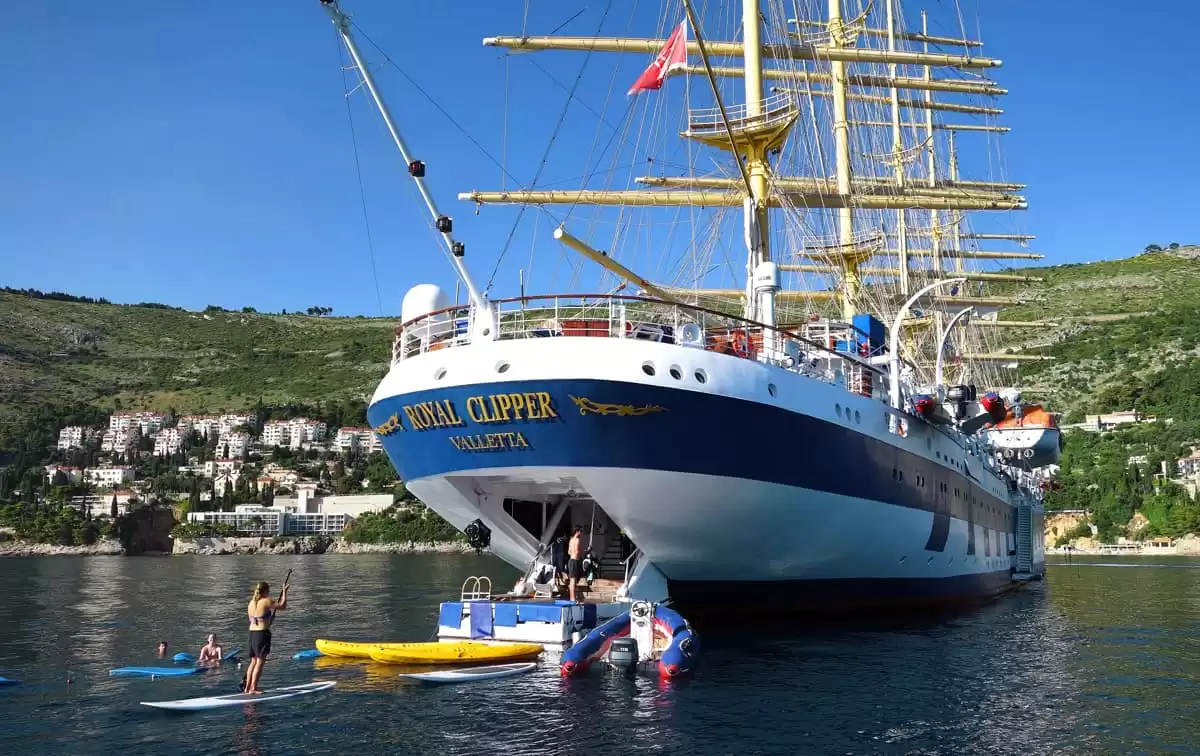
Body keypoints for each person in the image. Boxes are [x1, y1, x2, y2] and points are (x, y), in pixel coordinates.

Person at [244, 579, 288, 694]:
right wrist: (284, 592)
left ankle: (247, 688)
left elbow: (257, 619)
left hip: (252, 634)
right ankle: (253, 688)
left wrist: (268, 620)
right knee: (260, 661)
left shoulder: (251, 603)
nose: (269, 593)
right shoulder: (266, 600)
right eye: (268, 591)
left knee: (253, 661)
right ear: (265, 591)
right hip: (261, 634)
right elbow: (282, 606)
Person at [566, 526, 583, 602]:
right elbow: (577, 551)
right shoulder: (577, 540)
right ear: (577, 532)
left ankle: (572, 598)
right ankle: (572, 599)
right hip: (575, 561)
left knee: (573, 580)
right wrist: (583, 552)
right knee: (573, 581)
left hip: (570, 561)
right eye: (580, 531)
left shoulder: (571, 540)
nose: (581, 533)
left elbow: (569, 552)